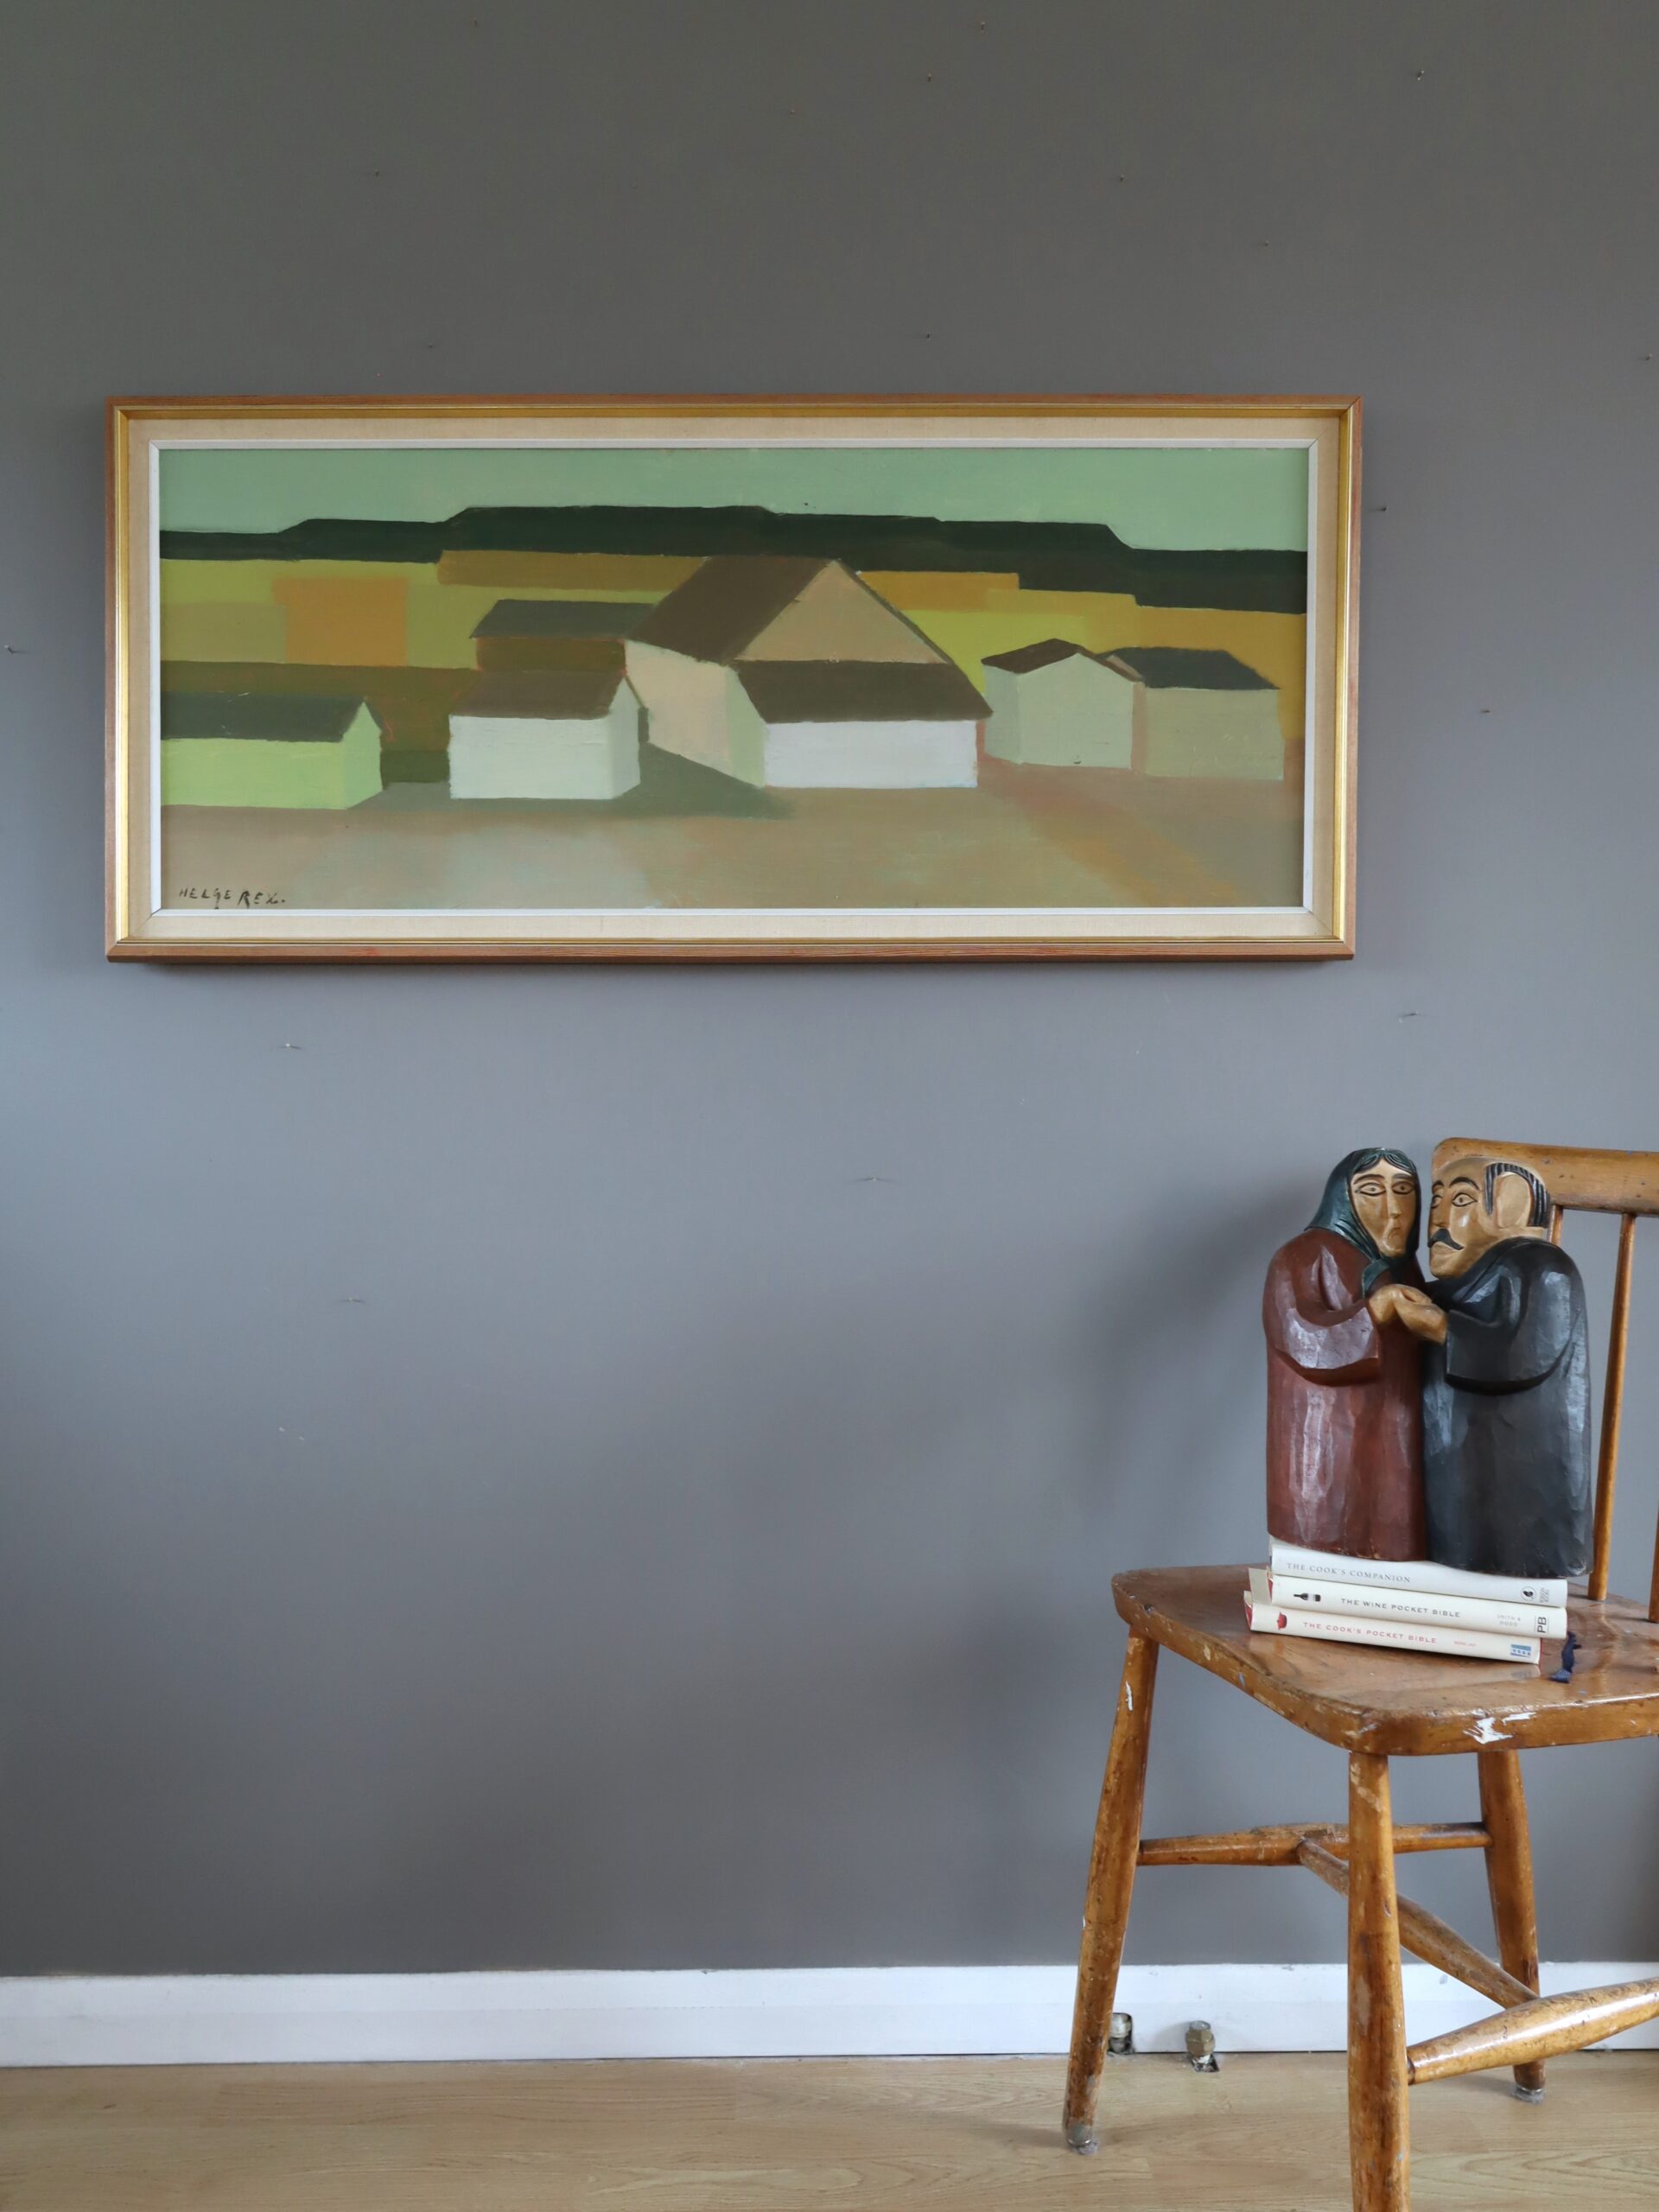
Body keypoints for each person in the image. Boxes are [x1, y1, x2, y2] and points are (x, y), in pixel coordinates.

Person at [1390, 1147, 1592, 1580]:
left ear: (1512, 1206)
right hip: (1456, 1477)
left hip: (1520, 1489)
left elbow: (1522, 1354)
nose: (1438, 1221)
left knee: (1502, 1549)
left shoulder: (1544, 1269)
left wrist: (1441, 1327)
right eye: (1436, 1202)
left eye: (1461, 1200)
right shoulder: (1452, 1285)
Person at [1263, 1149, 1436, 1560]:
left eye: (1404, 1191)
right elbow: (1299, 1334)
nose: (1393, 1209)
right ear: (1342, 1199)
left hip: (1399, 1437)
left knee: (1398, 1546)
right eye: (1372, 1191)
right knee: (1333, 1541)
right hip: (1327, 1447)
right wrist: (1375, 1311)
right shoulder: (1302, 1256)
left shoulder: (1405, 1269)